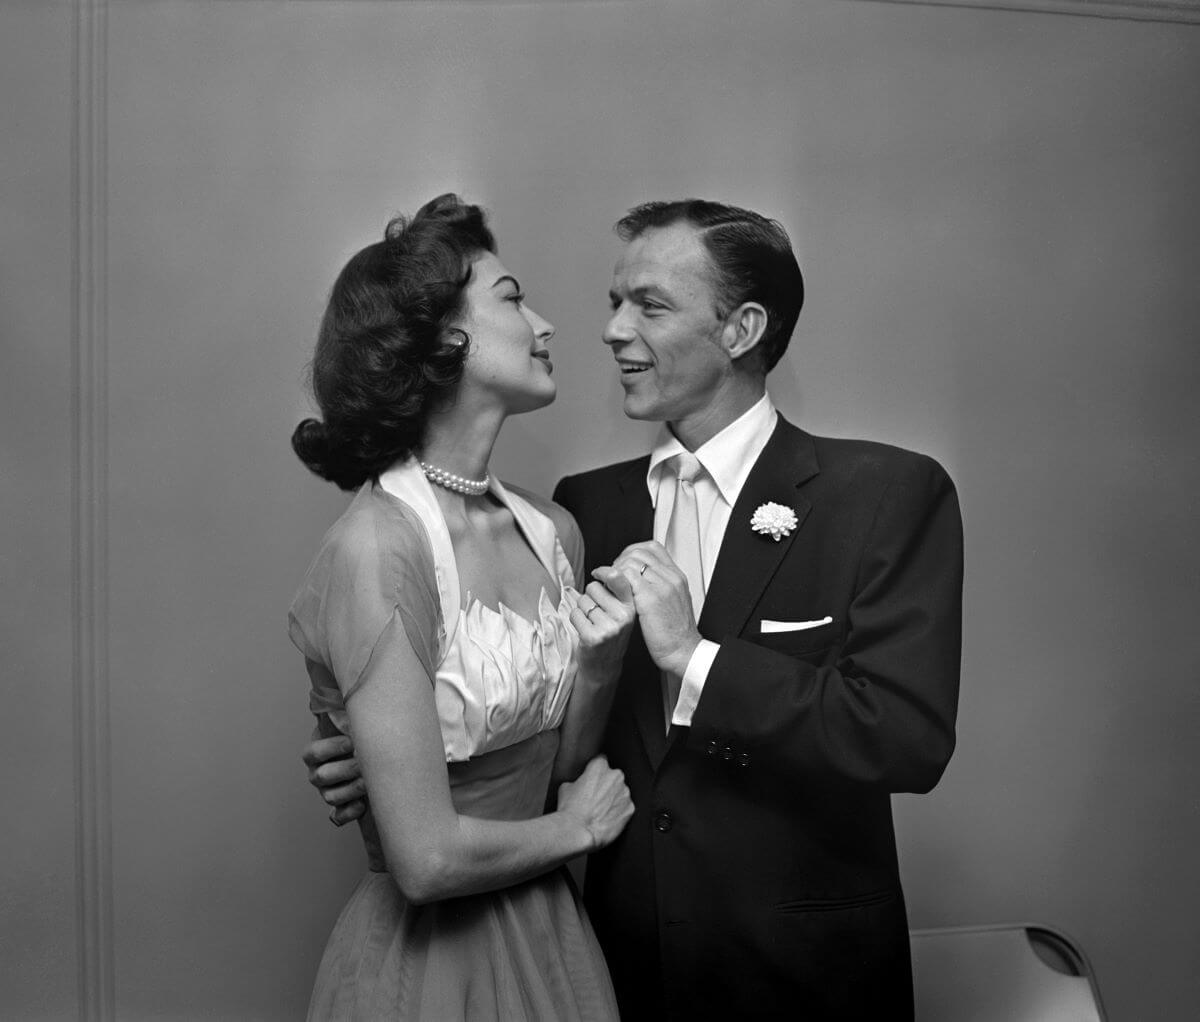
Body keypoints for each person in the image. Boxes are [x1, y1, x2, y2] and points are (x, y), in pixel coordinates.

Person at [306, 198, 964, 1020]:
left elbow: (906, 740)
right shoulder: (585, 512)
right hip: (611, 970)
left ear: (742, 328)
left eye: (649, 305)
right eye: (615, 303)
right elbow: (546, 741)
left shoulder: (884, 496)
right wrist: (391, 757)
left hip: (804, 978)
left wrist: (694, 655)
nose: (613, 330)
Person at [288, 194, 636, 1020]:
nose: (545, 323)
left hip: (551, 931)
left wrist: (601, 667)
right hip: (431, 961)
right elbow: (426, 860)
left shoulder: (555, 530)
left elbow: (555, 773)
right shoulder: (378, 546)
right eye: (514, 298)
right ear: (447, 336)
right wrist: (577, 832)